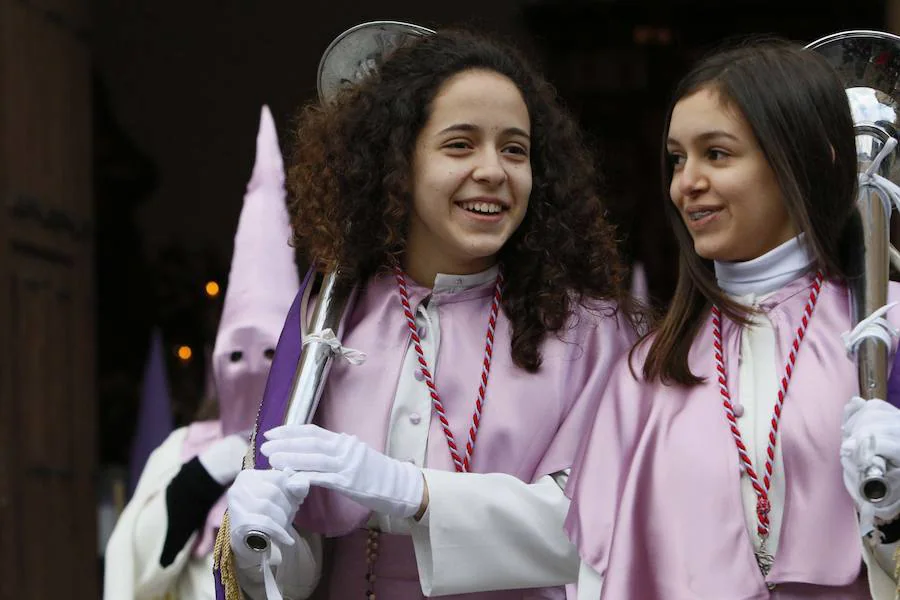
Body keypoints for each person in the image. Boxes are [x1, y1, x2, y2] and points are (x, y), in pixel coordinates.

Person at [216, 25, 642, 600]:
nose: (493, 170)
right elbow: (298, 568)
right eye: (460, 144)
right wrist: (257, 545)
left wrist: (414, 492)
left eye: (514, 149)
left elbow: (603, 529)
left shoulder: (588, 331)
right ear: (398, 162)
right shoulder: (331, 317)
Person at [564, 38, 900, 599]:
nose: (685, 183)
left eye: (716, 154)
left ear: (810, 161)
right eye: (677, 158)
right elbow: (597, 575)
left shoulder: (886, 326)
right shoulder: (647, 369)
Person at [104, 105, 299, 600]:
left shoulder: (323, 446)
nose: (253, 367)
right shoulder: (182, 451)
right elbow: (135, 564)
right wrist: (201, 478)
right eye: (237, 355)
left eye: (272, 352)